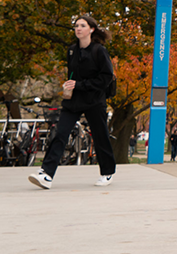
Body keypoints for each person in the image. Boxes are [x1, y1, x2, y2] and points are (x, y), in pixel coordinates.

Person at [29, 15, 117, 189]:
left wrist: (80, 84)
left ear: (91, 30)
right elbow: (73, 74)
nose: (78, 28)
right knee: (59, 134)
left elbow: (106, 78)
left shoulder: (99, 51)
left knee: (100, 137)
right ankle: (46, 174)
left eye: (82, 25)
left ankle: (107, 173)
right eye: (76, 25)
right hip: (73, 101)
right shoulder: (71, 50)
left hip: (94, 100)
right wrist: (69, 84)